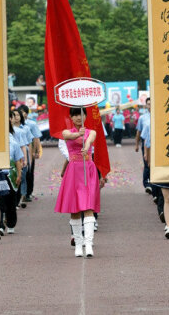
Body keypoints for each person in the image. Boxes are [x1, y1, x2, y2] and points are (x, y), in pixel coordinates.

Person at [55, 107, 100, 257]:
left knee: (88, 207)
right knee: (74, 209)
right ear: (71, 118)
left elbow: (89, 141)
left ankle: (88, 244)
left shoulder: (91, 132)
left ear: (86, 116)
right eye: (75, 116)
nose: (79, 118)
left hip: (88, 170)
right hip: (73, 170)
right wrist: (77, 134)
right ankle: (78, 245)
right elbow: (69, 135)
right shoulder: (66, 132)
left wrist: (86, 147)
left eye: (81, 115)